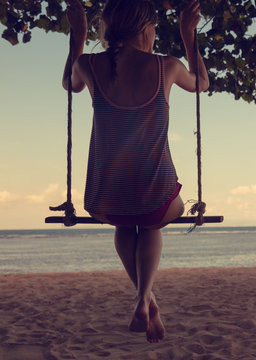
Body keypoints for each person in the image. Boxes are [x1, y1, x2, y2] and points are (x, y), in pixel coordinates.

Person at [64, 0, 209, 343]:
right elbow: (201, 82)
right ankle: (144, 297)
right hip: (157, 198)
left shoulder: (88, 64)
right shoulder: (167, 67)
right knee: (151, 220)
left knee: (126, 224)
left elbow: (69, 84)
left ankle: (147, 299)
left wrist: (78, 35)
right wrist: (188, 35)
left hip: (106, 199)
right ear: (146, 29)